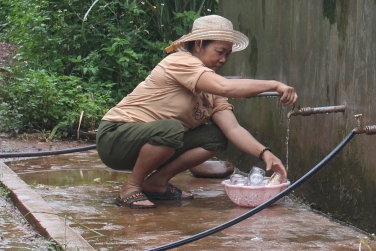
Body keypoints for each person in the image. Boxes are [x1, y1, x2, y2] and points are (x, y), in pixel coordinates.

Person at [96, 14, 297, 209]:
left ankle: (157, 182)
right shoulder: (180, 62)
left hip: (152, 142)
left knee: (216, 137)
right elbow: (225, 87)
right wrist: (274, 85)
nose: (223, 59)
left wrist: (265, 154)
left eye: (227, 54)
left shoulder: (211, 91)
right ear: (199, 45)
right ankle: (131, 186)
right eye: (219, 52)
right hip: (115, 138)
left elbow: (233, 129)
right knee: (171, 129)